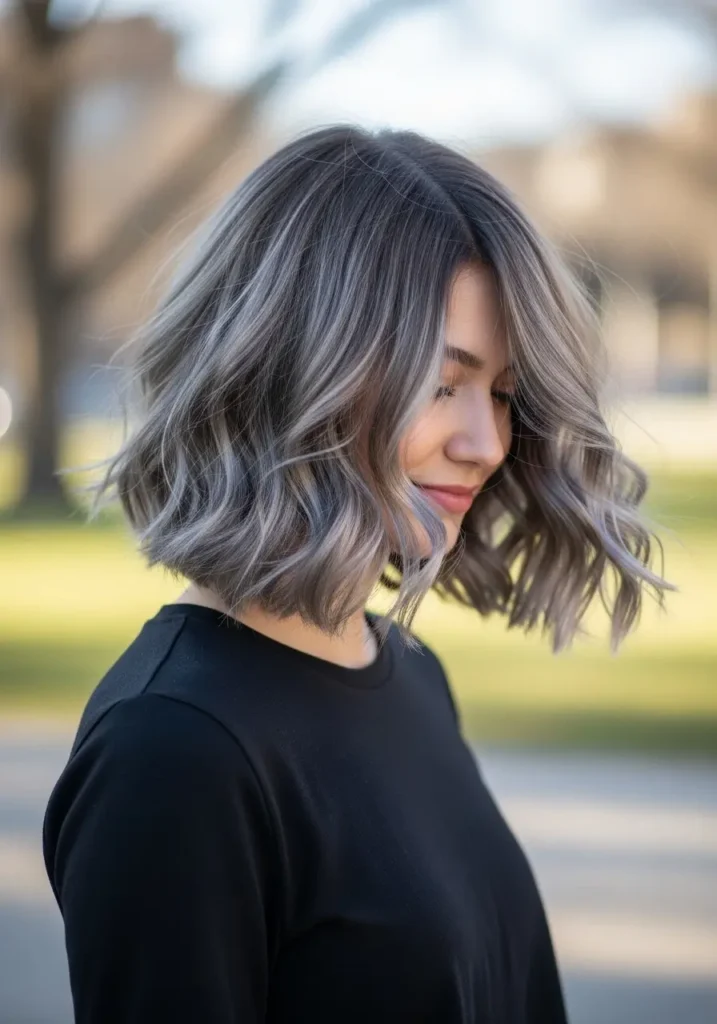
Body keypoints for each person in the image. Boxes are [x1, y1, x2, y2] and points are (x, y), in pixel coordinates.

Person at [42, 124, 672, 1023]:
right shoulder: (173, 756)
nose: (484, 443)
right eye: (437, 382)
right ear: (294, 367)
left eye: (500, 393)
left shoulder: (408, 672)